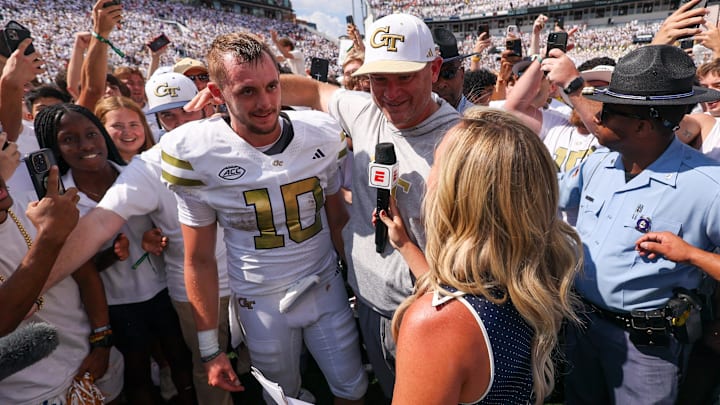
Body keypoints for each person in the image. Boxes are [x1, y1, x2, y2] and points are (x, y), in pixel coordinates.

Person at [160, 32, 367, 403]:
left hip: (325, 285)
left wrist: (359, 284)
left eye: (272, 86)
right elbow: (200, 258)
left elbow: (338, 220)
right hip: (259, 302)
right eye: (247, 91)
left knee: (353, 389)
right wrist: (210, 347)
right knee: (283, 398)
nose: (265, 102)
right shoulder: (196, 151)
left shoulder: (319, 133)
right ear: (217, 93)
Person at [274, 13, 461, 399]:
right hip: (368, 301)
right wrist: (253, 92)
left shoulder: (462, 141)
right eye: (380, 79)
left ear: (435, 69)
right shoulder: (365, 111)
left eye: (405, 76)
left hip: (428, 312)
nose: (390, 92)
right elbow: (312, 91)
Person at [543, 44, 720, 404]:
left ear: (642, 125)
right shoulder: (598, 162)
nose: (598, 117)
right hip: (582, 330)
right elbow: (550, 197)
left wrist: (691, 255)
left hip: (647, 350)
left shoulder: (708, 186)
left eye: (609, 110)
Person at [43, 72, 234, 405]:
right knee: (200, 368)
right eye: (168, 115)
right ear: (157, 121)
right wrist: (30, 287)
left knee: (250, 359)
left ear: (204, 107)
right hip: (189, 291)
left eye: (186, 110)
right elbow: (100, 226)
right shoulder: (148, 167)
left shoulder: (234, 144)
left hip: (248, 279)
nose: (180, 122)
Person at [389, 107, 581, 405]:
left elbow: (454, 313)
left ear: (457, 195)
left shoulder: (435, 324)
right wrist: (404, 245)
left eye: (437, 163)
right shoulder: (533, 275)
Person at [35, 103, 196, 405]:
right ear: (53, 148)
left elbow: (178, 232)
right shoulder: (61, 201)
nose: (85, 145)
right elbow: (76, 269)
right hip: (116, 305)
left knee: (181, 361)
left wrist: (157, 239)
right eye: (68, 139)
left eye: (91, 134)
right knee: (137, 375)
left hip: (163, 289)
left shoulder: (138, 175)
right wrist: (110, 256)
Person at [0, 156, 125, 403]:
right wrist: (49, 236)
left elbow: (85, 273)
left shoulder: (36, 207)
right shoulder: (48, 222)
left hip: (94, 372)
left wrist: (102, 341)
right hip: (29, 395)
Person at [94, 96, 155, 162]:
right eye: (118, 126)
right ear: (100, 129)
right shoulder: (96, 170)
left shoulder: (160, 162)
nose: (127, 132)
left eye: (133, 125)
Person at [431, 28, 476, 112]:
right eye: (432, 75)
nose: (441, 84)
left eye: (449, 73)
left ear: (462, 74)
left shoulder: (479, 122)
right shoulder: (411, 122)